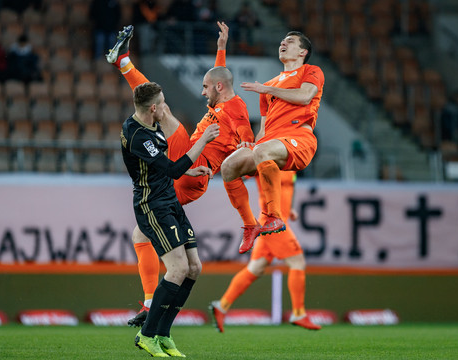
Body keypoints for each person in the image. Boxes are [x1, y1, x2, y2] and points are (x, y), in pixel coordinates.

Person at [106, 22, 255, 327]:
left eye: (205, 88)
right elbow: (219, 76)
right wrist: (222, 48)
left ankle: (123, 63)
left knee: (162, 109)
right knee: (140, 234)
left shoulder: (237, 108)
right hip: (188, 167)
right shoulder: (222, 96)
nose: (202, 93)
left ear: (219, 89)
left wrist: (246, 149)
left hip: (193, 169)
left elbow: (246, 134)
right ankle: (150, 303)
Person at [120, 79, 219, 356]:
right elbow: (172, 170)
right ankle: (147, 335)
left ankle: (163, 333)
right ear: (154, 108)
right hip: (152, 206)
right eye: (162, 103)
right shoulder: (138, 135)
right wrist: (202, 141)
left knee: (194, 267)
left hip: (170, 201)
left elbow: (167, 169)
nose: (166, 106)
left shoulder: (150, 125)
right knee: (177, 270)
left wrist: (190, 171)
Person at [220, 30, 325, 254]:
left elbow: (305, 96)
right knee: (228, 167)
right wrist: (251, 144)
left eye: (289, 41)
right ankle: (250, 225)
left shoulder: (311, 71)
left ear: (303, 51)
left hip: (300, 138)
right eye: (282, 41)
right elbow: (264, 131)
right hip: (271, 143)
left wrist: (267, 89)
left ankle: (273, 217)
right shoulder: (268, 87)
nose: (282, 43)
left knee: (263, 151)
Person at [210, 171, 321, 331]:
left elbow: (290, 187)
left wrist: (290, 208)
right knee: (297, 262)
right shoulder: (263, 158)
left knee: (256, 268)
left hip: (279, 221)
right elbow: (235, 176)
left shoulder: (290, 160)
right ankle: (299, 313)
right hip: (272, 224)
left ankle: (221, 306)